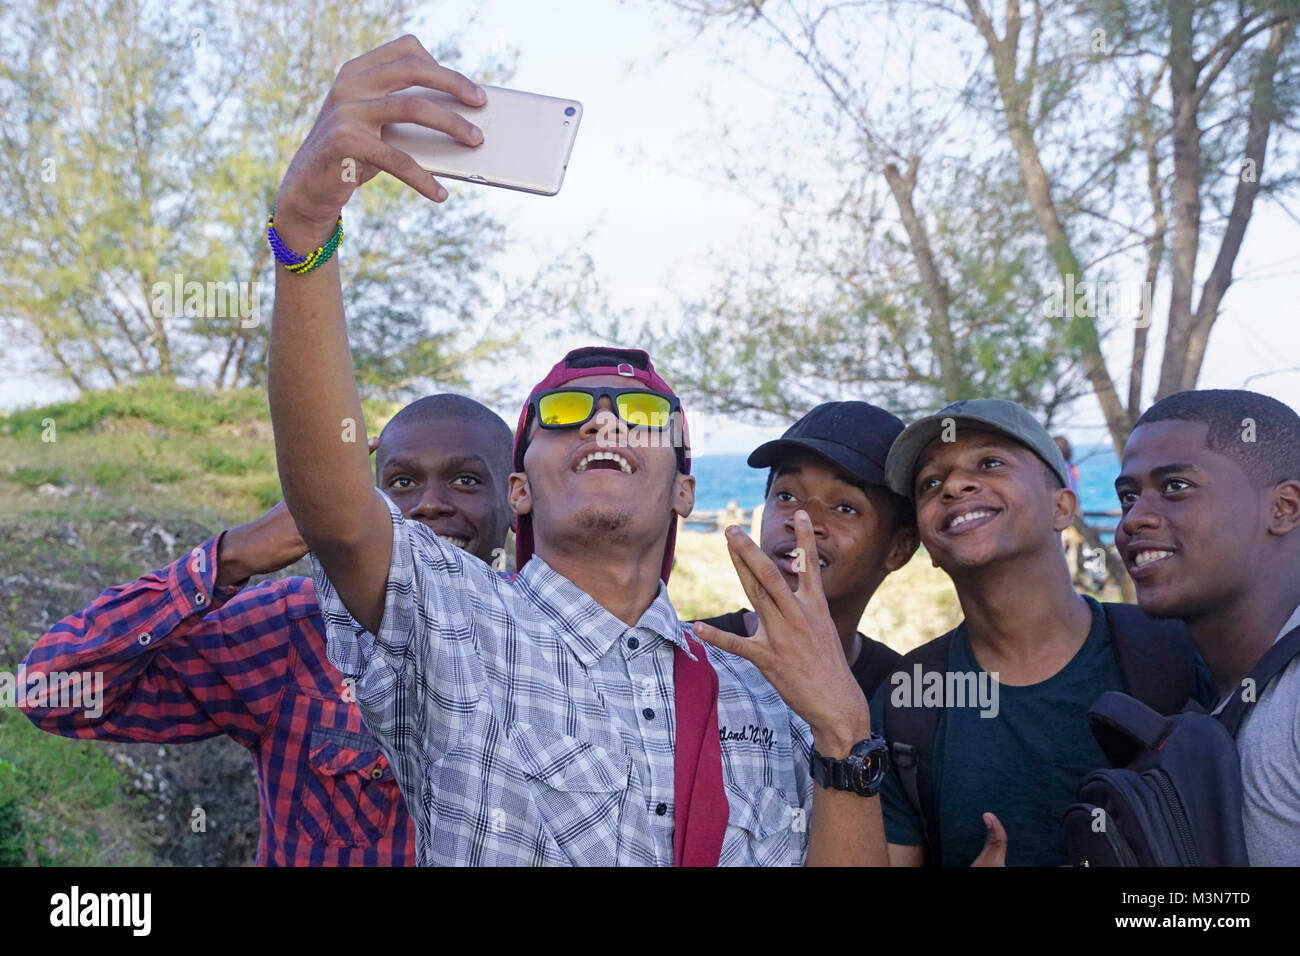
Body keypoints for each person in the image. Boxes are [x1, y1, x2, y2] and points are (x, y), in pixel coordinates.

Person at [266, 36, 891, 867]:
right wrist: (305, 231)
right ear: (519, 491)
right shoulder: (454, 623)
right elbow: (338, 510)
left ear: (683, 493)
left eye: (641, 413)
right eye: (564, 412)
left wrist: (844, 732)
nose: (605, 423)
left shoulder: (764, 686)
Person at [18, 393, 514, 866]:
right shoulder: (294, 631)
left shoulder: (553, 643)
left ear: (515, 498)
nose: (429, 504)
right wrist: (232, 555)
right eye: (402, 482)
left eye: (466, 480)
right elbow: (49, 692)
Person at [874, 398, 1214, 866]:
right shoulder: (908, 700)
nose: (953, 485)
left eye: (990, 463)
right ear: (929, 545)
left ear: (1063, 507)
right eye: (930, 483)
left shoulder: (1175, 651)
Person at [1114, 388, 1300, 865]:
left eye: (1175, 486)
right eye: (1128, 497)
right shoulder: (1228, 690)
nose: (1135, 519)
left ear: (1284, 508)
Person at [697, 401, 918, 698]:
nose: (803, 520)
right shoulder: (690, 653)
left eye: (845, 507)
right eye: (786, 495)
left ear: (899, 549)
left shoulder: (906, 696)